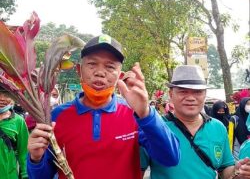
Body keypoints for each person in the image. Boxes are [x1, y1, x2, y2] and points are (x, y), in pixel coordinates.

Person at [27, 34, 180, 179]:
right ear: (79, 70)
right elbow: (41, 176)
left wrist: (146, 113)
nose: (100, 72)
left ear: (120, 76)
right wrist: (35, 158)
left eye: (110, 67)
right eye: (92, 64)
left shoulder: (134, 113)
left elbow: (170, 158)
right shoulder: (56, 116)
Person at [140, 65, 250, 179]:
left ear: (205, 94)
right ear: (171, 94)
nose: (191, 98)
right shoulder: (154, 128)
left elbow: (225, 170)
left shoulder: (218, 127)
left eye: (197, 92)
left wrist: (238, 171)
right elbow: (138, 171)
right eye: (183, 91)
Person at [0, 86, 29, 179]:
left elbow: (24, 151)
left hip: (9, 175)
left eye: (6, 94)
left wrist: (25, 174)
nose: (2, 98)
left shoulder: (18, 121)